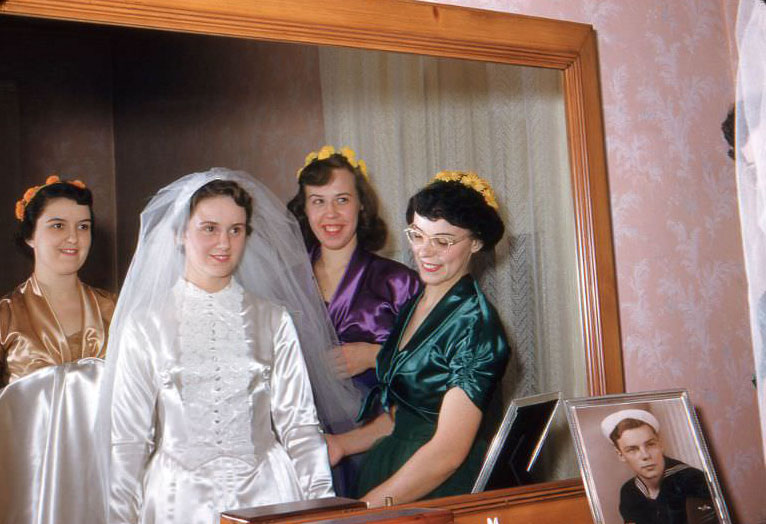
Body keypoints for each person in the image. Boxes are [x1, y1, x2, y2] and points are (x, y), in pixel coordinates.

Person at [106, 169, 335, 524]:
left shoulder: (273, 319)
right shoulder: (145, 325)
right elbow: (128, 441)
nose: (225, 244)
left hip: (269, 498)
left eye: (236, 230)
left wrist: (324, 509)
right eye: (209, 228)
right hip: (176, 503)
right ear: (180, 233)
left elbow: (301, 426)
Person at [325, 171, 510, 507]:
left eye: (443, 241)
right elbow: (406, 415)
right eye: (417, 235)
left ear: (476, 242)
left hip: (436, 485)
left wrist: (367, 509)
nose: (425, 252)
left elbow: (448, 453)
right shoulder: (416, 304)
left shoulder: (476, 326)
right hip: (396, 466)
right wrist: (342, 444)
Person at [0, 175, 116, 523]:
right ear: (29, 235)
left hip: (104, 484)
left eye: (83, 226)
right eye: (57, 225)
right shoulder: (6, 316)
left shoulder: (118, 310)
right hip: (28, 491)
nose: (73, 238)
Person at [600, 409, 717, 524]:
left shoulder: (693, 479)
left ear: (660, 444)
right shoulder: (629, 491)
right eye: (632, 449)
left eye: (650, 444)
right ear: (621, 455)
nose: (645, 455)